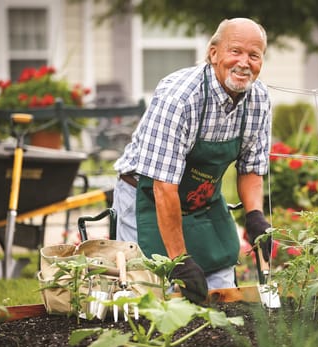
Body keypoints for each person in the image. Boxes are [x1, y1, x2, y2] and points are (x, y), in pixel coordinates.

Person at [112, 17, 272, 304]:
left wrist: (255, 216)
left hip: (201, 200)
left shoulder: (258, 99)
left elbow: (251, 168)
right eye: (235, 51)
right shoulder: (182, 98)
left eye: (254, 55)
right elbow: (163, 187)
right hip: (147, 195)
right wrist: (179, 259)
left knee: (221, 294)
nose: (244, 62)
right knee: (153, 291)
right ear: (213, 53)